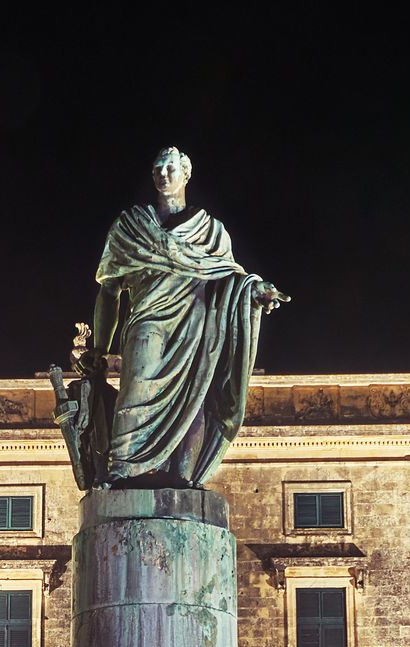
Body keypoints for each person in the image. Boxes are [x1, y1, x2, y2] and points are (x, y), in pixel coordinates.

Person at [54, 148, 286, 489]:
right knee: (136, 390)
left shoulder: (211, 231)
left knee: (194, 400)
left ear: (186, 174)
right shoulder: (130, 227)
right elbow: (109, 292)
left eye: (171, 167)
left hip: (195, 327)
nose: (164, 174)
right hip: (148, 322)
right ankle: (123, 468)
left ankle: (183, 476)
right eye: (158, 168)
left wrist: (255, 291)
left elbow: (230, 279)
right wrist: (101, 352)